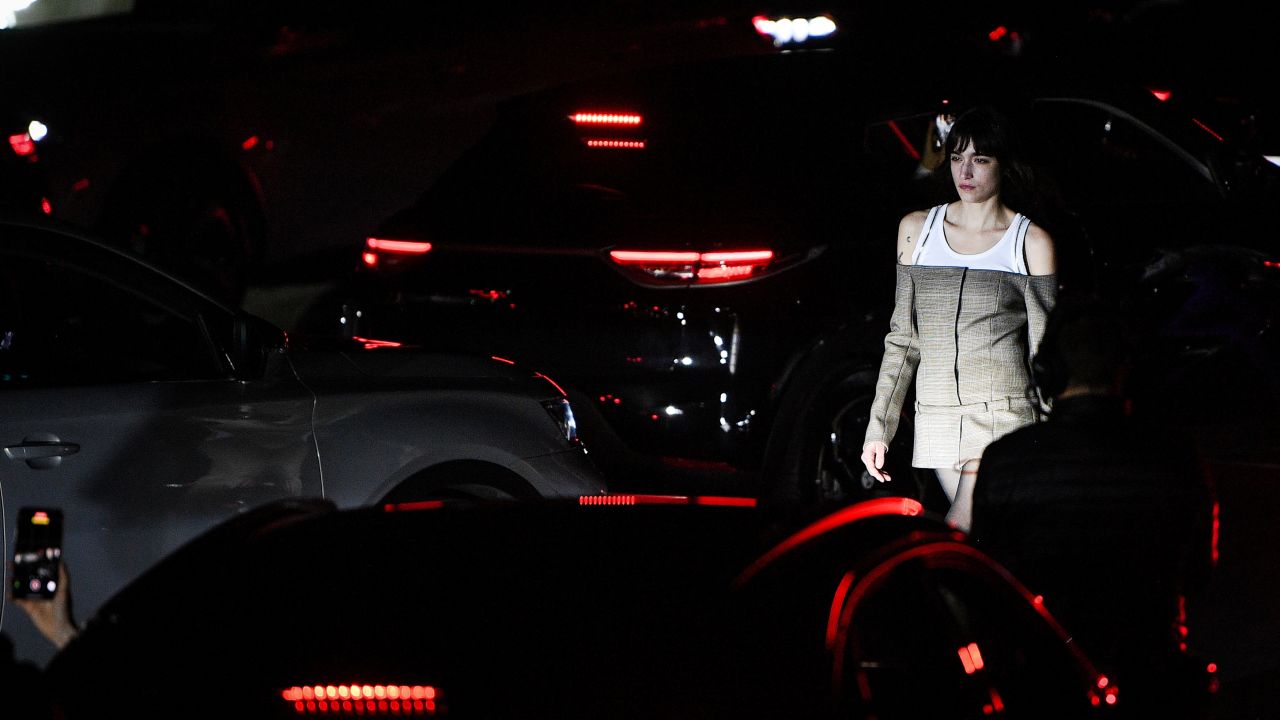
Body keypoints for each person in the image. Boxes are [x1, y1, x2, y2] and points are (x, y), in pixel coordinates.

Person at [969, 296, 1217, 712]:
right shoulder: (1176, 454)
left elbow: (990, 587)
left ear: (1049, 370)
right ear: (1129, 368)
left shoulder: (1005, 460)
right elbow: (1197, 573)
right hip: (1153, 677)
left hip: (1047, 682)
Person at [860, 105, 1058, 531]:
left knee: (961, 529)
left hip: (1004, 417)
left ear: (1005, 166)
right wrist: (879, 427)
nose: (965, 171)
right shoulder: (917, 229)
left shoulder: (1030, 241)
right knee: (990, 536)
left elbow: (1047, 347)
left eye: (980, 160)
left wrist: (1054, 434)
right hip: (937, 416)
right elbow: (903, 338)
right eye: (956, 158)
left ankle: (915, 585)